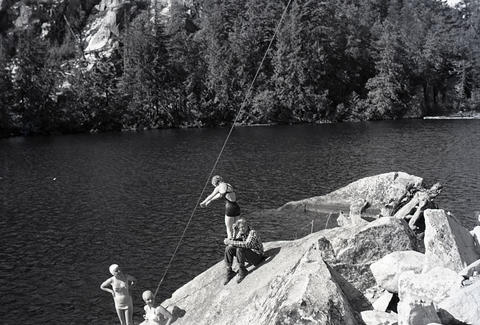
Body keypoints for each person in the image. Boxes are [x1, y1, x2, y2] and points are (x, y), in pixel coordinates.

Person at [223, 218, 264, 284]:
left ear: (247, 225)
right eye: (240, 228)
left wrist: (231, 241)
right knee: (228, 248)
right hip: (248, 256)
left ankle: (242, 271)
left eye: (243, 227)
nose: (242, 229)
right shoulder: (240, 232)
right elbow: (235, 243)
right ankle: (229, 271)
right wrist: (234, 232)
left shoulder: (252, 232)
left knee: (240, 248)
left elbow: (247, 244)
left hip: (257, 257)